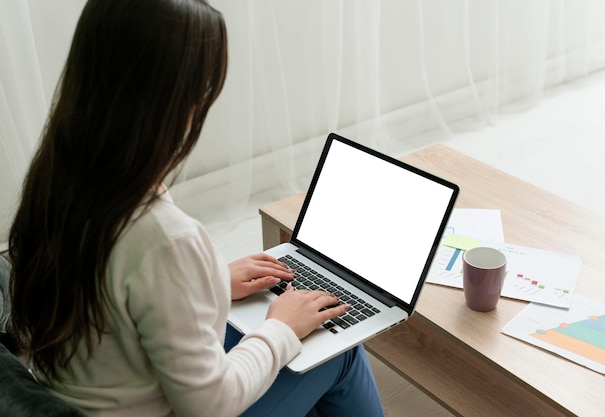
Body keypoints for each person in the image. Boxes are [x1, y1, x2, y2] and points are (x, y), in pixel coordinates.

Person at [8, 0, 385, 416]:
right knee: (336, 351)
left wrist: (211, 286)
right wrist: (281, 329)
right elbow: (210, 406)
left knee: (285, 336)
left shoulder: (57, 178)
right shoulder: (165, 238)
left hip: (93, 392)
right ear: (173, 101)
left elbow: (116, 300)